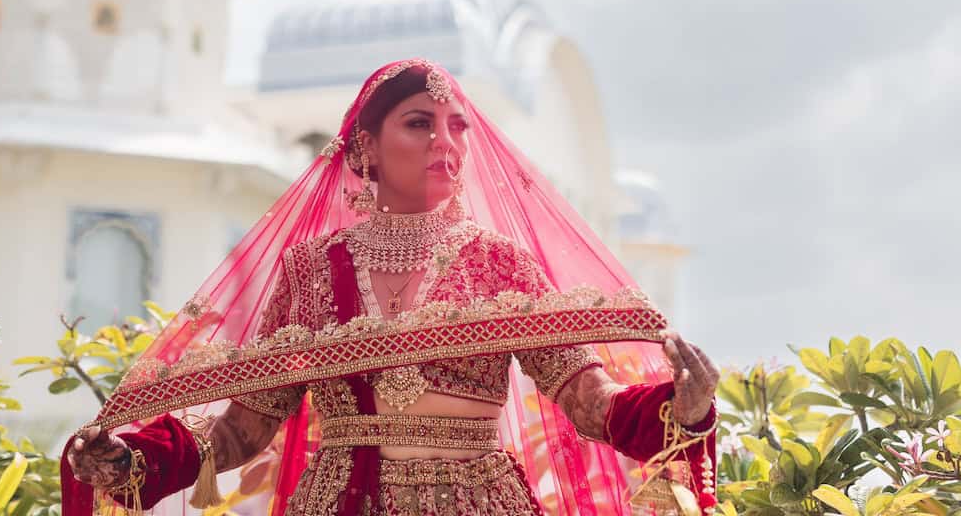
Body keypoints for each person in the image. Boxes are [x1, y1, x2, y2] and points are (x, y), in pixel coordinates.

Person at [62, 59, 720, 516]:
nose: (444, 142)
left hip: (477, 502)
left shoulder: (500, 264)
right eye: (419, 123)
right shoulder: (311, 269)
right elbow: (242, 429)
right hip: (338, 502)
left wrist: (680, 407)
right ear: (364, 148)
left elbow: (587, 401)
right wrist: (131, 460)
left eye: (457, 126)